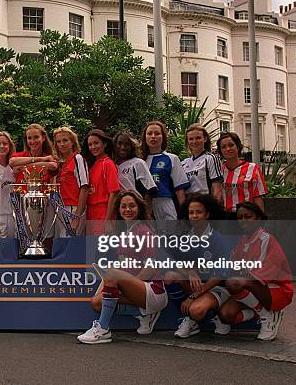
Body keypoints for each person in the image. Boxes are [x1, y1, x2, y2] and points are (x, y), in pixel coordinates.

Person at [77, 191, 167, 344]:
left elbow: (150, 267)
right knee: (97, 302)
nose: (127, 210)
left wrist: (127, 285)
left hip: (153, 291)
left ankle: (103, 329)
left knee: (113, 274)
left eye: (132, 206)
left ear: (139, 208)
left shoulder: (144, 231)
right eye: (123, 206)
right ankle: (144, 314)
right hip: (138, 292)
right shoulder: (124, 233)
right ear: (118, 210)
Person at [218, 202, 293, 341]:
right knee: (226, 315)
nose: (243, 221)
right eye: (240, 217)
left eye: (248, 216)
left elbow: (268, 271)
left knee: (234, 283)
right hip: (251, 289)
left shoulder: (267, 239)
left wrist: (242, 272)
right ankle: (264, 313)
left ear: (258, 218)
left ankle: (267, 317)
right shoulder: (242, 241)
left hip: (276, 290)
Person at [168, 194, 232, 338]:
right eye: (191, 213)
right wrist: (189, 271)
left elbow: (219, 275)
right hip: (195, 285)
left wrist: (193, 296)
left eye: (199, 212)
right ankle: (191, 320)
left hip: (215, 287)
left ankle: (212, 318)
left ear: (207, 214)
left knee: (197, 310)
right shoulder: (183, 238)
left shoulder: (218, 239)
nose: (194, 216)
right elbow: (171, 262)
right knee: (169, 277)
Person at [142, 121, 190, 220]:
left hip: (165, 202)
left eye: (157, 133)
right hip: (144, 205)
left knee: (169, 234)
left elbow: (179, 189)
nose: (153, 136)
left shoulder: (172, 158)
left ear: (163, 137)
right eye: (149, 133)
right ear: (145, 137)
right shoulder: (139, 160)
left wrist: (183, 215)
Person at [217, 132, 268, 214]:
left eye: (231, 145)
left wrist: (261, 220)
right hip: (225, 218)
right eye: (223, 147)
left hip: (246, 217)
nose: (228, 149)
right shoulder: (219, 171)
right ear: (220, 151)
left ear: (238, 146)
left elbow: (257, 197)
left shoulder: (253, 168)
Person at [81, 129, 120, 235]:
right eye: (90, 144)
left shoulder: (108, 164)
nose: (93, 147)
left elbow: (114, 193)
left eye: (96, 143)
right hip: (91, 212)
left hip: (103, 211)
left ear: (105, 144)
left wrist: (107, 220)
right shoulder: (92, 166)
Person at [53, 127, 89, 237]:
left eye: (65, 140)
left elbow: (84, 187)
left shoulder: (77, 158)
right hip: (61, 209)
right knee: (63, 246)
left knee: (70, 246)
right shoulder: (61, 163)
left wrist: (77, 217)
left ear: (73, 142)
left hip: (73, 209)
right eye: (58, 142)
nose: (62, 144)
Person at [181, 124, 223, 202]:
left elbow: (217, 189)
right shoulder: (184, 163)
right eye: (191, 139)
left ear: (205, 139)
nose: (194, 142)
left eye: (198, 138)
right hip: (189, 205)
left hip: (205, 202)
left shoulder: (211, 158)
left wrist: (214, 209)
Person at [113, 130, 156, 197]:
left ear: (132, 146)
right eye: (119, 143)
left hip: (136, 206)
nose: (122, 147)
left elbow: (150, 190)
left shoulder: (138, 163)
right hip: (119, 206)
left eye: (126, 144)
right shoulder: (113, 165)